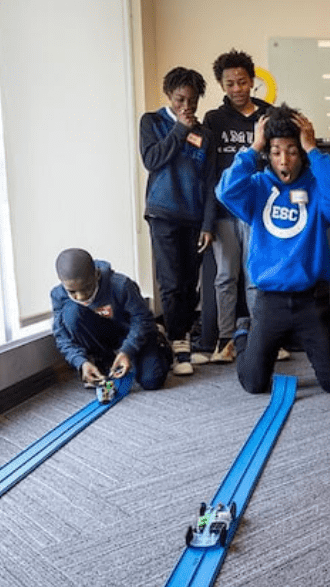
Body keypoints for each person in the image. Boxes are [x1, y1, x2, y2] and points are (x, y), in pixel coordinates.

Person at [215, 104, 330, 394]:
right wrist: (254, 147)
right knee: (253, 384)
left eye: (292, 151)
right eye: (277, 152)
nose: (284, 161)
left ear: (301, 154)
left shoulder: (318, 187)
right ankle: (243, 334)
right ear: (268, 154)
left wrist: (313, 148)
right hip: (270, 302)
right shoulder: (256, 187)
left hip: (311, 301)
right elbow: (225, 191)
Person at [202, 49, 285, 363]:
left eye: (242, 81)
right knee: (225, 276)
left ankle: (264, 336)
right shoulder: (214, 120)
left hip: (259, 211)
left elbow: (281, 161)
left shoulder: (270, 115)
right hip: (224, 212)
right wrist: (207, 221)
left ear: (252, 81)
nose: (237, 89)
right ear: (222, 86)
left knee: (256, 276)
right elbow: (211, 173)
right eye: (230, 83)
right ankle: (226, 340)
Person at [139, 66, 214, 376]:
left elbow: (211, 181)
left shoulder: (205, 134)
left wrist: (208, 224)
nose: (187, 107)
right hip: (164, 214)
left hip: (194, 216)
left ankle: (181, 341)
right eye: (181, 99)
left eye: (193, 101)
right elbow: (152, 159)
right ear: (169, 95)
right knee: (170, 282)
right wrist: (179, 130)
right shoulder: (152, 122)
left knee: (188, 282)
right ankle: (176, 341)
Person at [51, 248, 171, 391]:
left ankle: (159, 342)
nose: (81, 296)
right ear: (62, 283)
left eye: (87, 287)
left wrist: (127, 350)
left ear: (96, 274)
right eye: (72, 291)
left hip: (133, 334)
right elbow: (62, 337)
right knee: (71, 312)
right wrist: (81, 362)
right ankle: (102, 360)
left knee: (152, 380)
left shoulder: (121, 285)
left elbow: (142, 320)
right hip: (104, 339)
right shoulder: (58, 296)